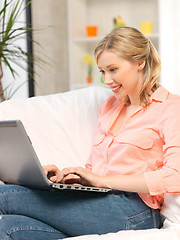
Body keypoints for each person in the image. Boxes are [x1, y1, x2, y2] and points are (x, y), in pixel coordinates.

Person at [0, 26, 180, 239]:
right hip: (99, 201)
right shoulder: (109, 107)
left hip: (136, 211)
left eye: (113, 70)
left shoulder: (170, 107)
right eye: (102, 71)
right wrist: (75, 179)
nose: (106, 80)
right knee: (9, 228)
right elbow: (96, 168)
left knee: (4, 197)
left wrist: (102, 181)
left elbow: (174, 176)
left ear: (140, 62)